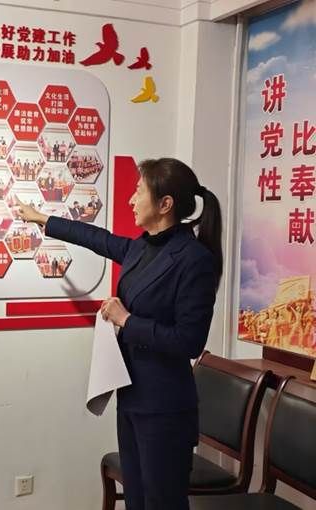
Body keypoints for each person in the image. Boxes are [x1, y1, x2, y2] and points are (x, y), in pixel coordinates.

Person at [17, 158, 223, 510]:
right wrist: (42, 219)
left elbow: (189, 341)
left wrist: (127, 320)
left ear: (165, 204)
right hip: (131, 396)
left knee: (162, 502)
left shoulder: (193, 259)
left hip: (165, 408)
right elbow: (96, 238)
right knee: (137, 499)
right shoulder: (142, 247)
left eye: (139, 191)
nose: (131, 200)